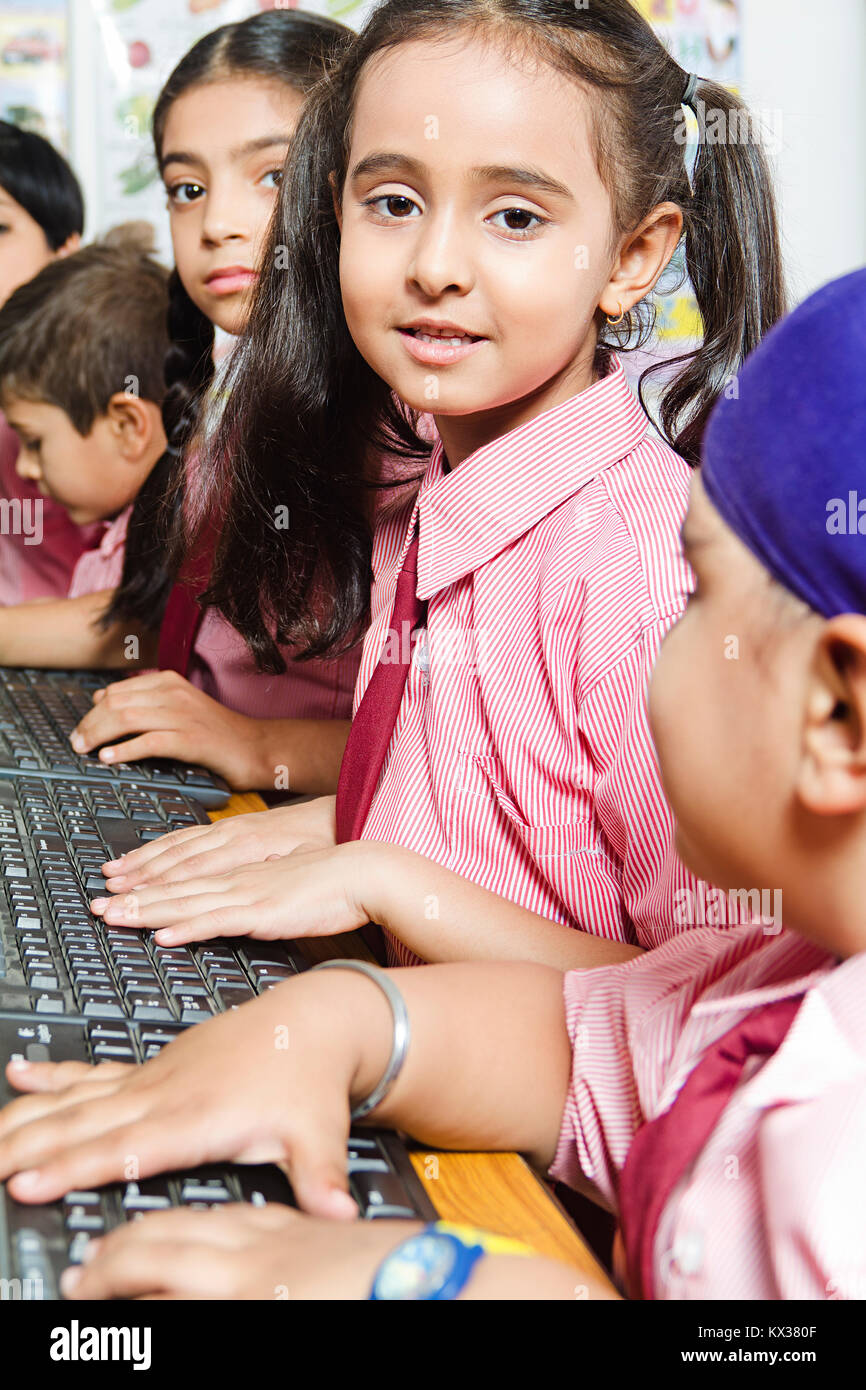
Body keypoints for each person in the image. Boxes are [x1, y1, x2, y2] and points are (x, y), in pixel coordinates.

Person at [1, 266, 863, 1300]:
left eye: (700, 594)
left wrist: (465, 1283)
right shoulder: (783, 977)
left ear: (836, 714)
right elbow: (588, 1046)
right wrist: (340, 1024)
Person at [93, 0, 785, 968]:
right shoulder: (451, 470)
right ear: (332, 211)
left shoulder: (640, 585)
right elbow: (478, 818)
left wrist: (380, 878)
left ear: (631, 257)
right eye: (392, 204)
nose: (433, 267)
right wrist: (322, 834)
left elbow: (722, 1001)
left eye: (513, 216)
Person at [0, 234, 170, 669]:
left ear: (128, 427)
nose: (24, 466)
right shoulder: (123, 529)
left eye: (35, 441)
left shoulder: (195, 519)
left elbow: (133, 629)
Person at [0, 120, 93, 605]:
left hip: (79, 664)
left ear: (64, 253)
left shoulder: (102, 380)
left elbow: (147, 610)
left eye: (0, 227)